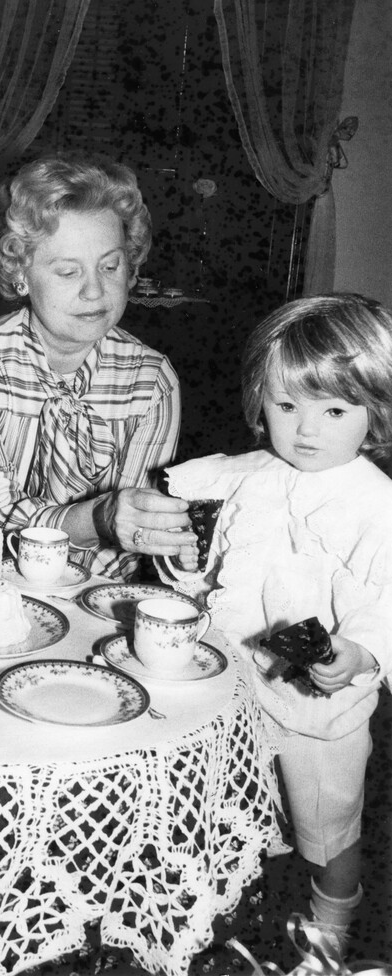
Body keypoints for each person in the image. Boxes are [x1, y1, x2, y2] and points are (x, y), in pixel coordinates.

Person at [156, 293, 392, 952]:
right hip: (235, 685)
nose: (305, 429)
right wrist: (187, 573)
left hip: (318, 706)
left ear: (373, 412)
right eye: (286, 406)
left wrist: (360, 652)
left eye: (333, 411)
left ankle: (333, 920)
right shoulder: (248, 476)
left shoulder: (373, 505)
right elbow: (222, 569)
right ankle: (225, 899)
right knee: (232, 801)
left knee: (325, 821)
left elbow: (387, 596)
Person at [0, 154, 196, 580]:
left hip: (96, 588)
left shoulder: (152, 382)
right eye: (69, 271)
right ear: (19, 272)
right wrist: (99, 519)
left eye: (111, 266)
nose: (95, 290)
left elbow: (131, 537)